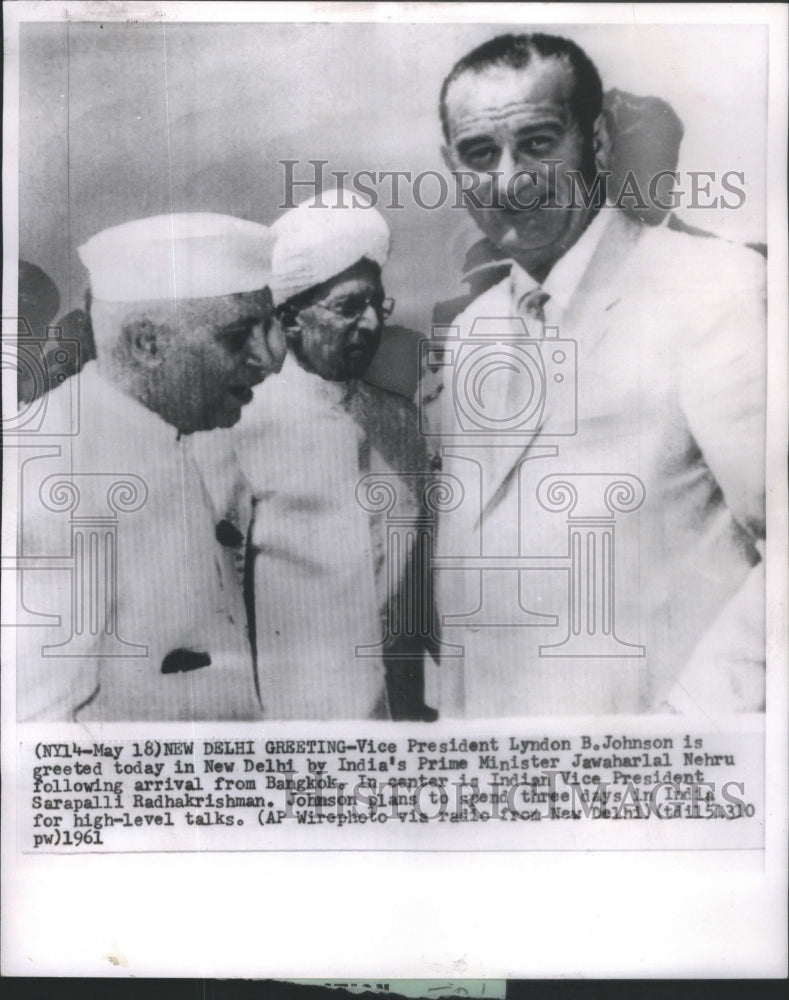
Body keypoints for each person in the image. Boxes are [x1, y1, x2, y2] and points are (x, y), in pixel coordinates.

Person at [422, 32, 765, 716]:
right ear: (450, 165)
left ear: (597, 142)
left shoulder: (709, 286)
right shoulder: (471, 332)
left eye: (540, 142)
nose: (509, 178)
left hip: (650, 775)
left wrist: (694, 722)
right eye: (479, 153)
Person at [16, 212, 285, 722]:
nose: (269, 358)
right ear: (148, 344)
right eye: (236, 337)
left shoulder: (160, 431)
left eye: (267, 329)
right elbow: (30, 736)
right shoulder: (60, 473)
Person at [232, 189, 436, 720]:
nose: (370, 324)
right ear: (291, 317)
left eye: (376, 305)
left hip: (405, 718)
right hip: (294, 726)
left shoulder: (404, 425)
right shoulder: (241, 424)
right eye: (348, 307)